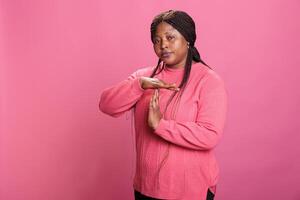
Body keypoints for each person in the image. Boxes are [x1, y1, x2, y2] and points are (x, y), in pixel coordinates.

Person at [99, 10, 228, 200]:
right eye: (157, 40)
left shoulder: (208, 80)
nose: (163, 45)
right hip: (146, 188)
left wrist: (161, 126)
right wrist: (138, 85)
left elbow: (209, 135)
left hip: (191, 190)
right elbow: (107, 104)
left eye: (170, 37)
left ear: (188, 40)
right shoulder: (145, 78)